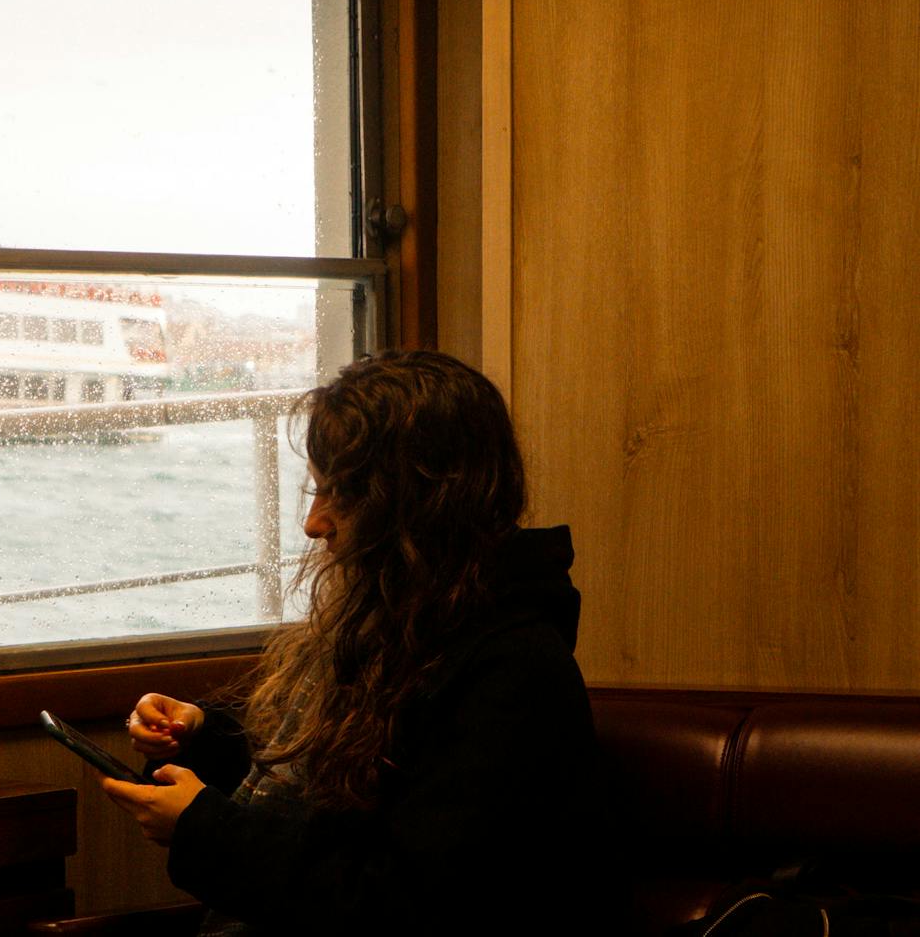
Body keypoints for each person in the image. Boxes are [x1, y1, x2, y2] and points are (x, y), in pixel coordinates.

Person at [100, 349, 623, 933]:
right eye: (315, 492)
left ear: (422, 502)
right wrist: (198, 735)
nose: (314, 523)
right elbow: (319, 781)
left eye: (342, 496)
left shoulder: (513, 671)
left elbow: (398, 901)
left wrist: (202, 830)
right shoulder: (398, 625)